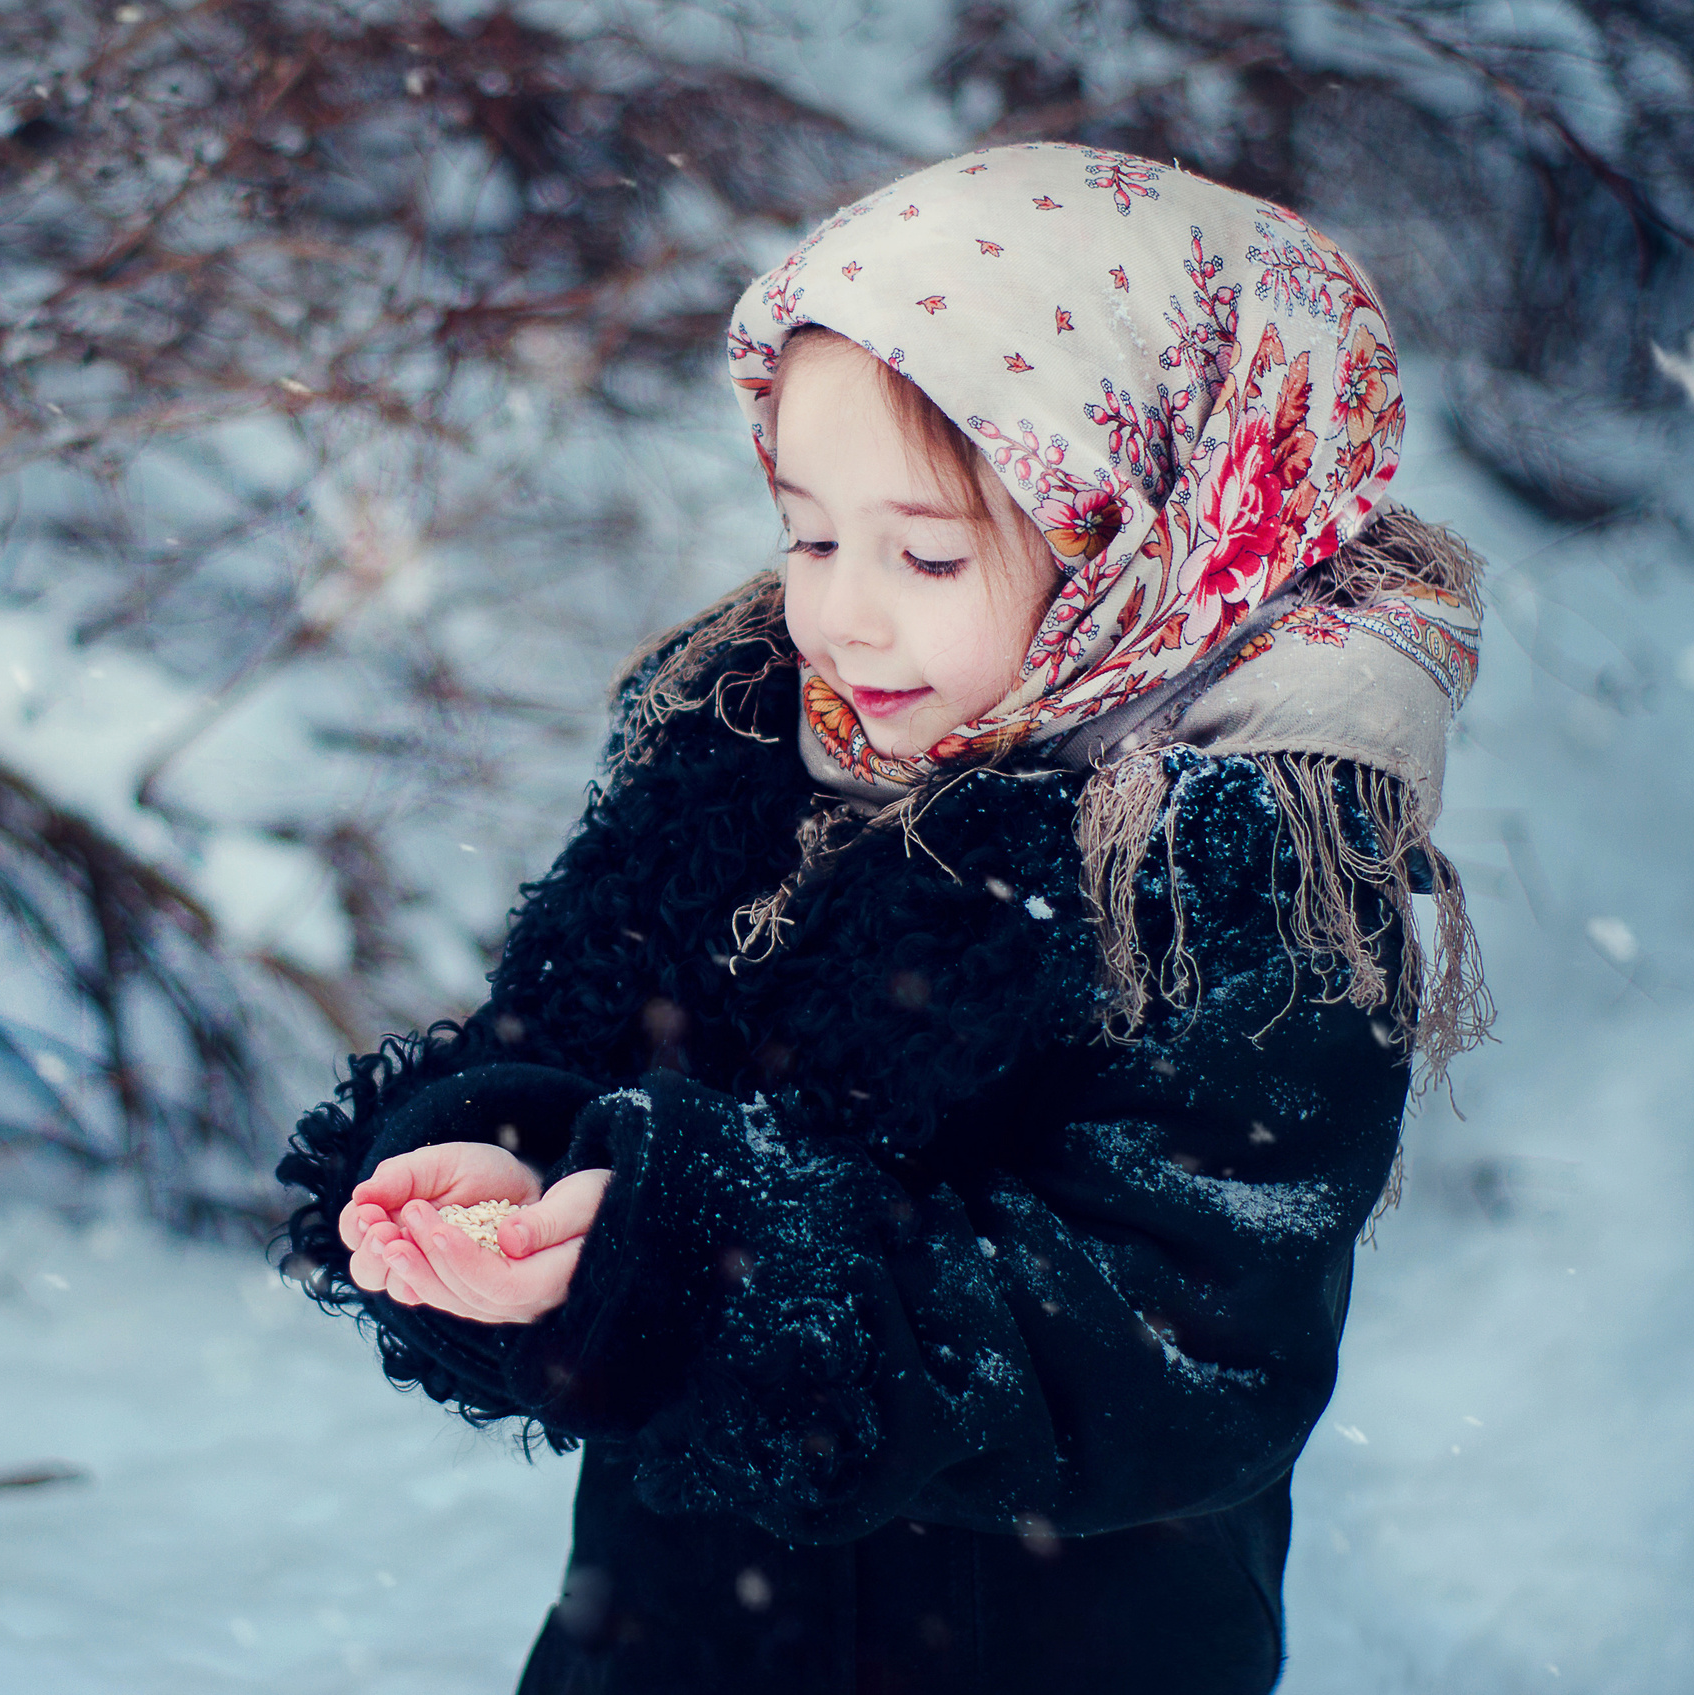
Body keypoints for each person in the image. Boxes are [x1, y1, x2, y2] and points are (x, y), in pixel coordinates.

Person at [274, 141, 1491, 1695]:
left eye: (925, 551)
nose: (842, 612)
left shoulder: (1240, 862)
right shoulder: (753, 746)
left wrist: (699, 1263)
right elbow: (584, 1054)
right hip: (674, 1631)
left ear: (1145, 531)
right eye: (808, 531)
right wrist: (513, 1168)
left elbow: (1178, 1352)